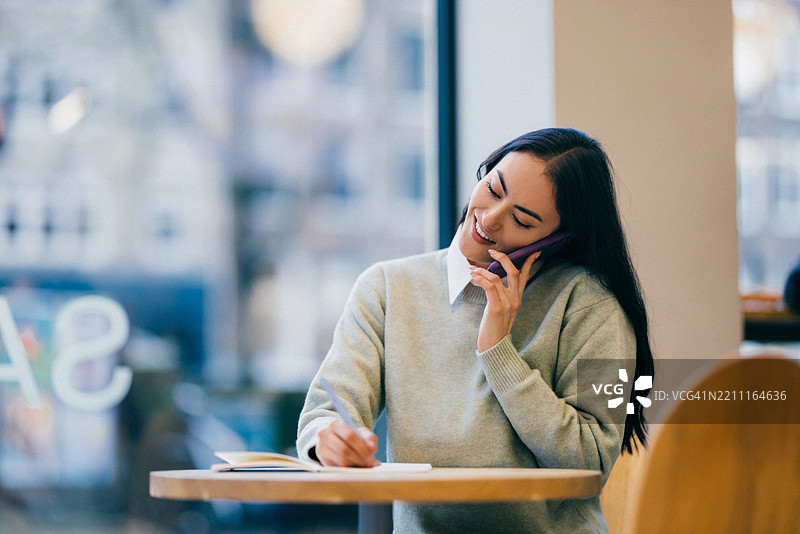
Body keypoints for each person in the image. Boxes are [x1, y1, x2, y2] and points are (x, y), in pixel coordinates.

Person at [296, 128, 655, 533]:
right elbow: (324, 412)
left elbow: (591, 462)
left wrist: (499, 351)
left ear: (558, 240)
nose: (489, 218)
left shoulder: (590, 306)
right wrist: (329, 441)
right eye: (493, 189)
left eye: (522, 220)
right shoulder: (387, 288)